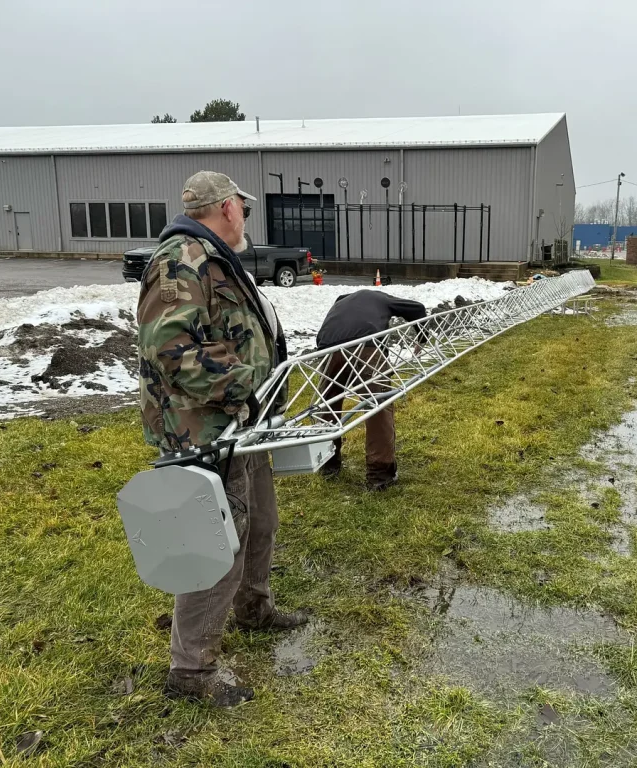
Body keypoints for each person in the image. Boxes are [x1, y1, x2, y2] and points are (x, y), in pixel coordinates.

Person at [138, 171, 305, 707]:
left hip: (244, 424)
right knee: (217, 542)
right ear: (229, 207)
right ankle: (190, 671)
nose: (245, 219)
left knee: (261, 519)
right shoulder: (179, 262)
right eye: (244, 210)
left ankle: (254, 608)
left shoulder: (212, 257)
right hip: (208, 429)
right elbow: (170, 353)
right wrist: (242, 386)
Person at [316, 290, 427, 490]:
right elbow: (417, 309)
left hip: (327, 348)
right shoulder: (379, 298)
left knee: (328, 405)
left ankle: (327, 464)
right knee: (378, 406)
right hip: (366, 346)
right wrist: (422, 338)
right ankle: (380, 475)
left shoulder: (339, 303)